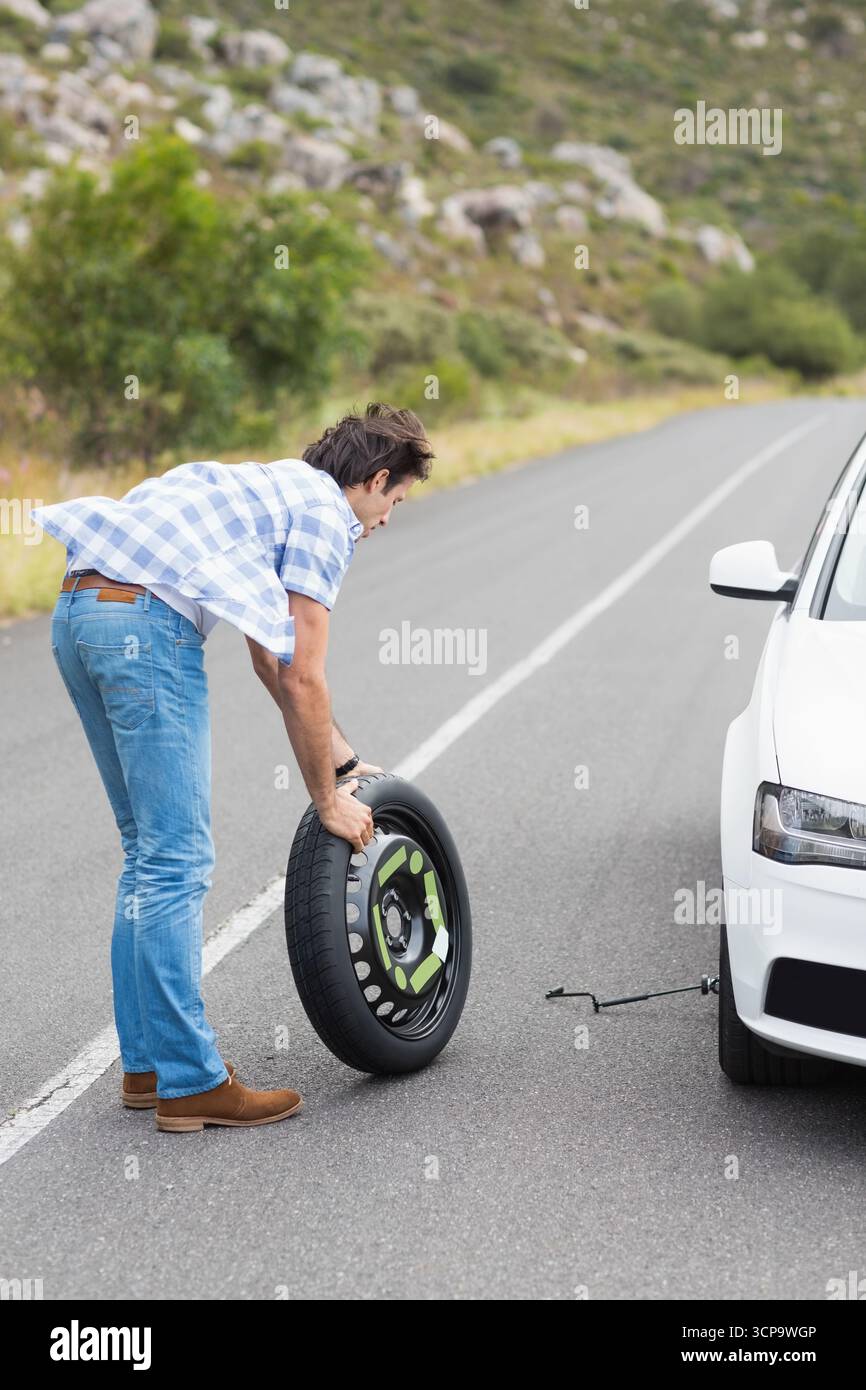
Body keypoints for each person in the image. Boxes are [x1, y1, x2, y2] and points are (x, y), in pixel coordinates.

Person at [30, 403, 434, 1133]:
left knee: (148, 854)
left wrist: (340, 759)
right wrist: (329, 802)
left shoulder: (274, 488)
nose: (385, 520)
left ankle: (148, 1065)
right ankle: (192, 1083)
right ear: (375, 480)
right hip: (145, 627)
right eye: (394, 502)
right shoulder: (325, 517)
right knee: (177, 859)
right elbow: (305, 675)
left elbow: (270, 654)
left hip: (81, 611)